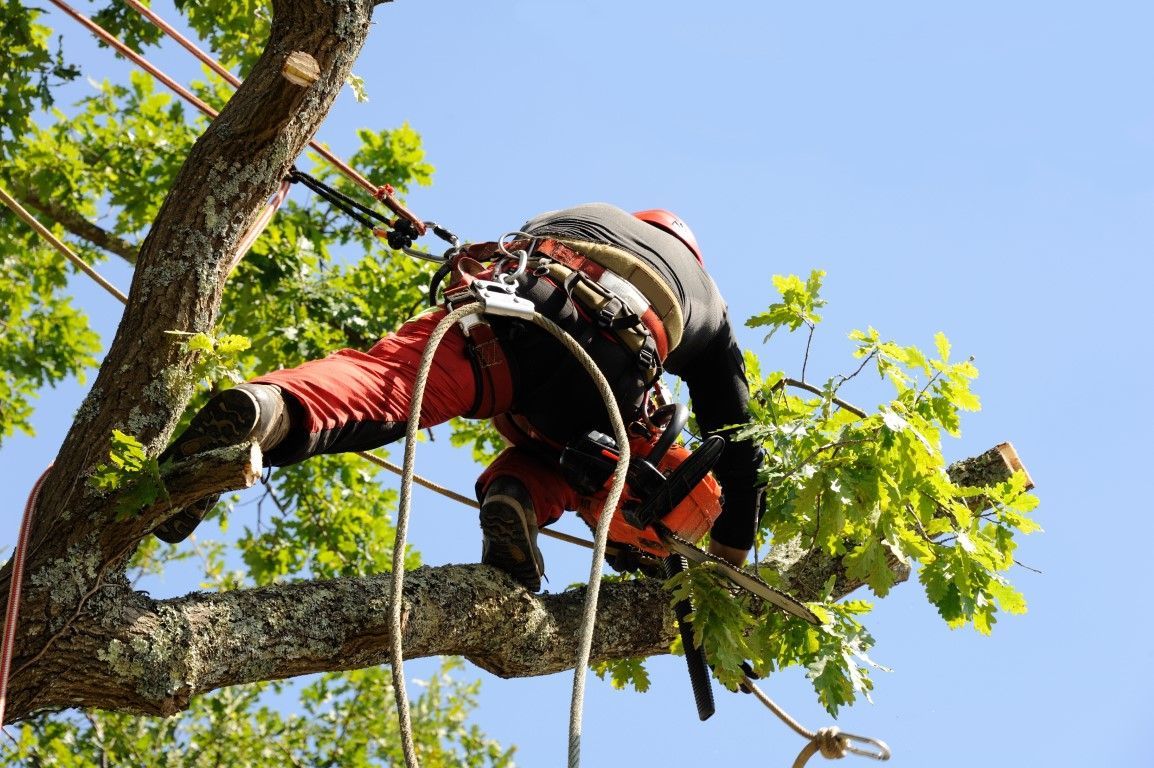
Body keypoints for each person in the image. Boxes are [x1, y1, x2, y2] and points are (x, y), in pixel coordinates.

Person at [155, 203, 764, 592]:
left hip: (513, 309)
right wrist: (732, 553)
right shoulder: (706, 297)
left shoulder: (585, 213)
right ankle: (522, 496)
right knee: (615, 460)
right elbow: (738, 438)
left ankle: (267, 410)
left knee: (385, 383)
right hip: (612, 368)